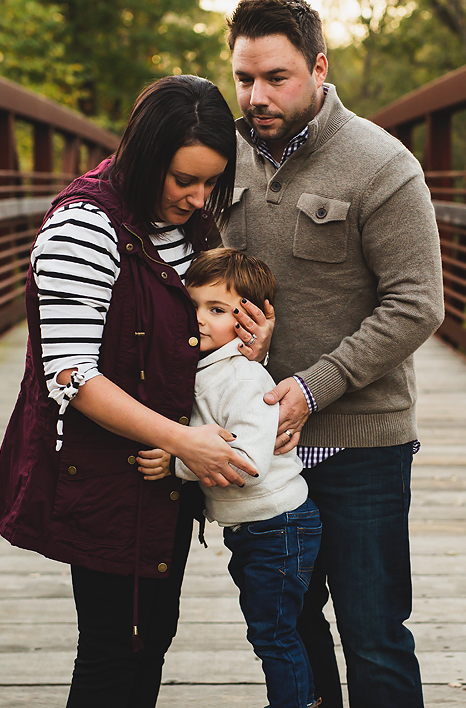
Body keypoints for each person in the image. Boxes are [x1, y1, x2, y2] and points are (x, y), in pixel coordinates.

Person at [0, 75, 271, 708]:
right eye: (183, 180)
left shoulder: (187, 224)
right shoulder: (83, 228)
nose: (199, 199)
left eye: (210, 182)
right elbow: (70, 375)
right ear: (145, 157)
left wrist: (246, 343)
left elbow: (192, 328)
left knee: (151, 638)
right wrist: (182, 442)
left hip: (165, 468)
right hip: (107, 469)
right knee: (116, 647)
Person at [221, 0, 445, 708]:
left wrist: (315, 386)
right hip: (260, 443)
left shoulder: (382, 165)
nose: (256, 96)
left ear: (319, 68)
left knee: (375, 634)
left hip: (360, 446)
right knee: (287, 626)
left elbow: (418, 304)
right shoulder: (219, 162)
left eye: (275, 77)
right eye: (243, 78)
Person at [144, 247, 321, 708]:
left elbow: (246, 462)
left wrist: (175, 463)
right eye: (193, 305)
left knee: (274, 635)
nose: (200, 319)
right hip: (256, 529)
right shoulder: (202, 368)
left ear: (248, 321)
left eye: (218, 310)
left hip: (278, 527)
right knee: (272, 630)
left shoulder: (242, 380)